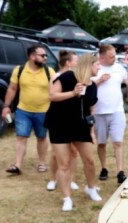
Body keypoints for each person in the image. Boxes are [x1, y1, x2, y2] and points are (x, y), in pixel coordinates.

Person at [47, 54, 102, 211]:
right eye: (97, 64)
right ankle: (67, 198)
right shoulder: (68, 77)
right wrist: (72, 93)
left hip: (80, 125)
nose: (99, 67)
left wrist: (91, 130)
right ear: (88, 65)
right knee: (64, 164)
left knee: (90, 160)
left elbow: (91, 109)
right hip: (59, 124)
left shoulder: (93, 86)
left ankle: (90, 188)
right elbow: (51, 96)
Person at [2, 44, 55, 175]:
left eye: (45, 55)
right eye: (42, 55)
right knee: (21, 137)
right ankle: (18, 165)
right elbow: (12, 88)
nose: (45, 58)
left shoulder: (50, 72)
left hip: (44, 111)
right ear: (32, 56)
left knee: (42, 137)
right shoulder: (19, 70)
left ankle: (42, 163)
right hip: (23, 111)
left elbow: (55, 92)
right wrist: (6, 106)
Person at [92, 44, 128, 184]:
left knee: (118, 142)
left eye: (115, 56)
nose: (114, 59)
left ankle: (120, 172)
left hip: (117, 111)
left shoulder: (118, 68)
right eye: (111, 57)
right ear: (102, 57)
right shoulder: (95, 68)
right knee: (101, 143)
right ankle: (104, 168)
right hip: (99, 112)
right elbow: (86, 86)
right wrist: (99, 80)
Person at [47, 50, 80, 191]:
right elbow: (52, 96)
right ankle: (52, 178)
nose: (77, 63)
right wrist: (72, 94)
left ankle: (70, 178)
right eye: (75, 61)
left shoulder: (77, 76)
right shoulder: (56, 76)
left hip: (73, 117)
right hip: (59, 118)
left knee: (73, 151)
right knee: (57, 153)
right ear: (68, 62)